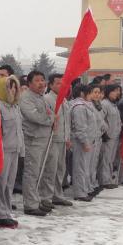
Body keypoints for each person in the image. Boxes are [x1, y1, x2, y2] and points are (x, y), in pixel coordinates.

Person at [0, 75, 23, 229]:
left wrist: (21, 148)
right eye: (10, 87)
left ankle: (6, 211)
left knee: (9, 183)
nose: (13, 91)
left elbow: (19, 131)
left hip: (14, 149)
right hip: (3, 151)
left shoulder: (15, 107)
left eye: (15, 87)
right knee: (0, 184)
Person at [18, 71, 54, 216]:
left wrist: (50, 117)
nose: (41, 83)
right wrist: (50, 120)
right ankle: (30, 204)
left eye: (43, 80)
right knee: (31, 173)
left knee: (39, 172)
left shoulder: (41, 97)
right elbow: (35, 117)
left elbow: (50, 113)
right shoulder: (26, 98)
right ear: (30, 83)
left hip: (42, 139)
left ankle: (36, 200)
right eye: (37, 80)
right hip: (32, 140)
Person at [41, 73, 72, 207]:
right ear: (51, 85)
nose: (61, 86)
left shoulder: (64, 100)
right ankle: (46, 197)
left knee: (60, 169)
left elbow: (67, 122)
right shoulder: (47, 99)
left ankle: (57, 195)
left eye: (63, 83)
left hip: (62, 139)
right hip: (52, 140)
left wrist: (67, 137)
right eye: (58, 83)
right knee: (50, 170)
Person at [70, 84, 100, 201]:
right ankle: (80, 192)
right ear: (83, 93)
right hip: (81, 142)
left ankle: (85, 189)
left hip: (89, 140)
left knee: (86, 167)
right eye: (90, 92)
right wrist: (85, 142)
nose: (92, 95)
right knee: (80, 168)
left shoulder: (86, 105)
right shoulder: (79, 107)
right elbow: (80, 127)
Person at [99, 84, 122, 188]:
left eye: (118, 91)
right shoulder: (104, 104)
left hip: (115, 136)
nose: (117, 93)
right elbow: (101, 119)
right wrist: (104, 133)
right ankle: (104, 180)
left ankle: (108, 178)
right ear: (108, 92)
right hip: (108, 137)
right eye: (114, 91)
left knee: (110, 159)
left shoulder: (114, 104)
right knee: (106, 159)